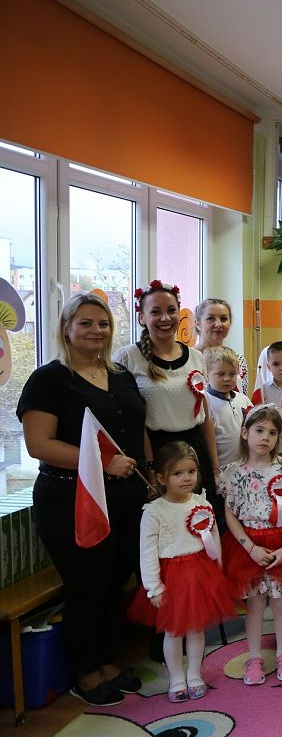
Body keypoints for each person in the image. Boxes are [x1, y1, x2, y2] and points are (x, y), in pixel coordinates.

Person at [17, 293, 148, 706]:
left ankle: (108, 660)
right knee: (86, 586)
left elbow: (137, 430)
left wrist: (149, 476)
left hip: (125, 497)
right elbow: (39, 444)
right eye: (86, 323)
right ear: (66, 328)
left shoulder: (121, 376)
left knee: (114, 581)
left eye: (103, 323)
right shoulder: (49, 379)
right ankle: (85, 672)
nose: (96, 331)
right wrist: (103, 463)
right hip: (71, 499)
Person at [133, 442, 236, 703]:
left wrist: (218, 567)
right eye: (178, 473)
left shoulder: (201, 503)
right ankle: (177, 678)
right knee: (173, 632)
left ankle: (194, 674)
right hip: (172, 578)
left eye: (191, 471)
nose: (187, 478)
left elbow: (213, 536)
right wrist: (153, 587)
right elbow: (147, 552)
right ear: (161, 478)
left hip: (200, 573)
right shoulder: (154, 512)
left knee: (196, 629)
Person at [218, 406, 282, 685]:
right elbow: (230, 514)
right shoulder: (233, 473)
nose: (265, 437)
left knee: (281, 603)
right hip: (249, 546)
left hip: (280, 543)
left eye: (272, 432)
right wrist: (250, 548)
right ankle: (254, 657)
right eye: (259, 430)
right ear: (245, 433)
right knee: (255, 605)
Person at [115, 280, 221, 510]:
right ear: (142, 317)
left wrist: (214, 466)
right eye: (155, 312)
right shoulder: (128, 357)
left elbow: (204, 418)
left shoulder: (196, 357)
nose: (165, 318)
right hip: (154, 454)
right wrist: (150, 471)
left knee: (197, 519)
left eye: (171, 310)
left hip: (193, 452)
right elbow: (127, 418)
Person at [204, 346, 253, 468]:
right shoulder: (205, 402)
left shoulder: (243, 400)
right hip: (219, 468)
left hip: (244, 466)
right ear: (207, 375)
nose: (227, 378)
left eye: (232, 374)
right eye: (221, 374)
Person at [194, 298, 250, 394]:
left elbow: (243, 397)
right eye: (210, 319)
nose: (218, 324)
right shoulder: (188, 358)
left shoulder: (239, 360)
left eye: (223, 319)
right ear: (198, 323)